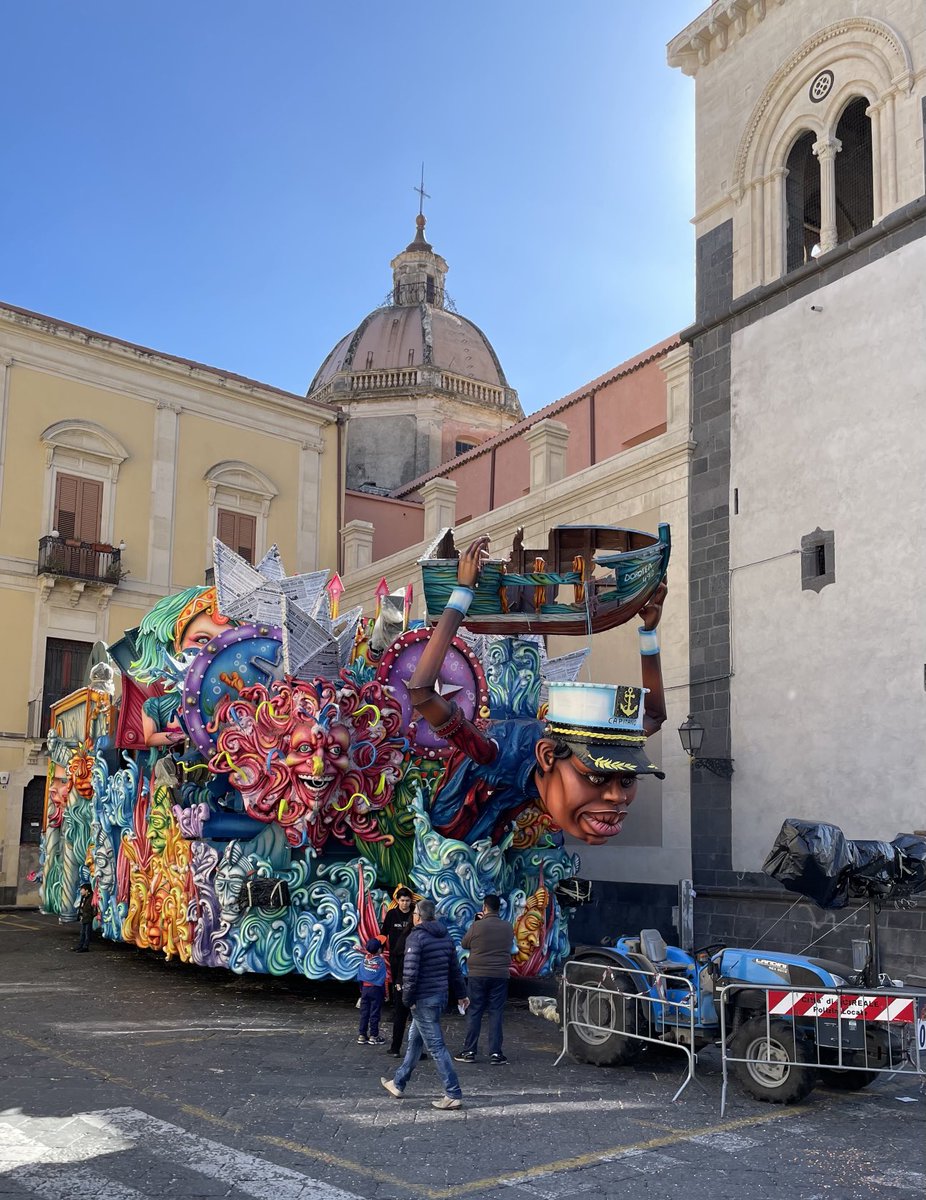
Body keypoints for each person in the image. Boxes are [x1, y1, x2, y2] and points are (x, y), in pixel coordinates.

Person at [408, 536, 668, 847]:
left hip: (499, 836)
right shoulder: (498, 752)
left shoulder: (553, 758)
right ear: (546, 756)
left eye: (627, 779)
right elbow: (422, 692)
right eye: (596, 777)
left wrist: (649, 631)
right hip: (448, 841)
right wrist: (461, 593)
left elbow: (654, 716)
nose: (617, 797)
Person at [380, 898, 469, 1110]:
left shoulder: (416, 937)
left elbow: (410, 973)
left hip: (422, 999)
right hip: (439, 996)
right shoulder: (445, 936)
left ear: (418, 916)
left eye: (414, 914)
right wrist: (461, 994)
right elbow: (455, 970)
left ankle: (453, 1092)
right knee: (415, 1041)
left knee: (436, 1047)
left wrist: (407, 1000)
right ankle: (398, 1083)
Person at [454, 894, 515, 1065]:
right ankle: (495, 1053)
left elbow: (465, 944)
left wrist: (477, 923)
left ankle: (469, 1051)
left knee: (475, 1012)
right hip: (500, 975)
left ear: (484, 907)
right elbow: (510, 945)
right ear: (498, 908)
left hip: (478, 975)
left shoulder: (477, 926)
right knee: (496, 1013)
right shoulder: (508, 927)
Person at [382, 887, 416, 1057]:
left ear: (411, 901)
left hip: (413, 962)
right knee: (399, 1003)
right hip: (397, 962)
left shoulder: (415, 916)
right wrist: (377, 951)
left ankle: (416, 1049)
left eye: (407, 900)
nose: (404, 903)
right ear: (398, 901)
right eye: (402, 900)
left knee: (416, 1014)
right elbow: (383, 934)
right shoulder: (391, 915)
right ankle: (395, 1047)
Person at [357, 937, 387, 1045]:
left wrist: (361, 990)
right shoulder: (380, 962)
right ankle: (374, 1036)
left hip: (365, 989)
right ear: (379, 949)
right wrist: (385, 993)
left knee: (364, 1012)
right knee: (375, 1013)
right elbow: (383, 979)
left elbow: (360, 976)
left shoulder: (364, 960)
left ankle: (362, 1035)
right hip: (376, 989)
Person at [72, 883, 94, 952]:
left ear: (87, 890)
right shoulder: (83, 897)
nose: (81, 891)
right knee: (82, 933)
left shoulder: (91, 898)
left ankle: (85, 947)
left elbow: (89, 909)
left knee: (87, 933)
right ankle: (80, 945)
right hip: (84, 918)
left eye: (82, 890)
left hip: (88, 918)